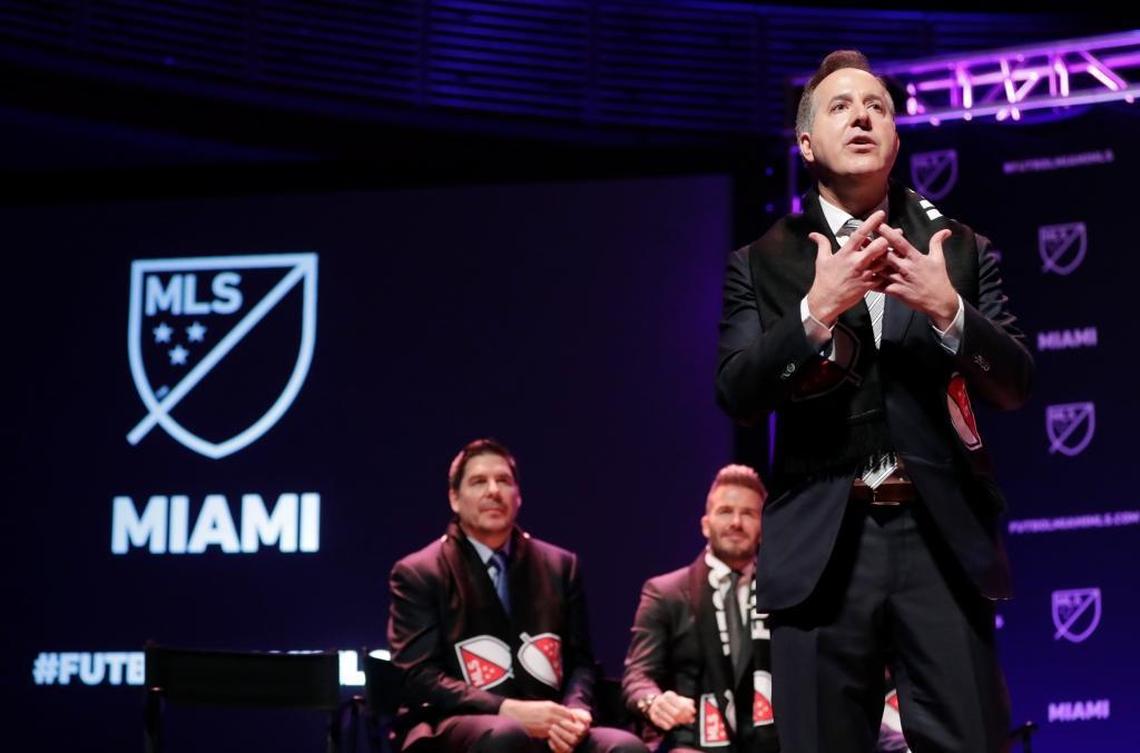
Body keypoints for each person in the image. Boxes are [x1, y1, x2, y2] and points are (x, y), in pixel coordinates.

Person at [715, 50, 1033, 753]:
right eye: (840, 107)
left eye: (877, 108)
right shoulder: (761, 262)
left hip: (940, 539)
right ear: (806, 145)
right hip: (822, 546)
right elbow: (737, 393)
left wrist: (950, 310)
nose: (861, 116)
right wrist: (815, 313)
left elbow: (1014, 384)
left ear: (895, 138)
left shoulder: (959, 249)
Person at [387, 438, 647, 753]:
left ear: (518, 496)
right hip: (459, 723)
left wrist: (575, 711)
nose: (493, 491)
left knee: (625, 747)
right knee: (507, 735)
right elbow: (418, 677)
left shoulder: (560, 566)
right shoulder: (419, 572)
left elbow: (581, 662)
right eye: (478, 482)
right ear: (454, 499)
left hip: (549, 720)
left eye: (504, 481)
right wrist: (506, 709)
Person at [622, 465, 778, 753]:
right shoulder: (665, 592)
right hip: (692, 743)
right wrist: (655, 702)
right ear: (705, 524)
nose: (736, 522)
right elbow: (638, 676)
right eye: (725, 511)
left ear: (763, 529)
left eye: (748, 513)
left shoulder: (783, 595)